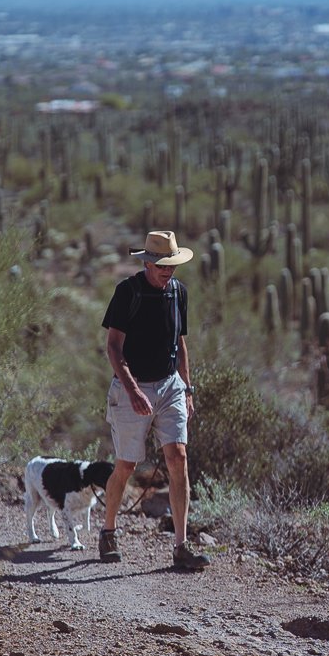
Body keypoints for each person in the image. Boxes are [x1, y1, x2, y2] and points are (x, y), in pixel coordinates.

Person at [97, 230, 210, 571]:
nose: (168, 271)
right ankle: (108, 531)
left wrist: (187, 389)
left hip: (170, 385)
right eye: (162, 265)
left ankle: (181, 545)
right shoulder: (127, 293)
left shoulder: (178, 293)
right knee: (127, 465)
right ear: (147, 263)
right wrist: (132, 391)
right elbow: (113, 347)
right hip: (132, 385)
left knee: (178, 458)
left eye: (171, 265)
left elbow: (180, 342)